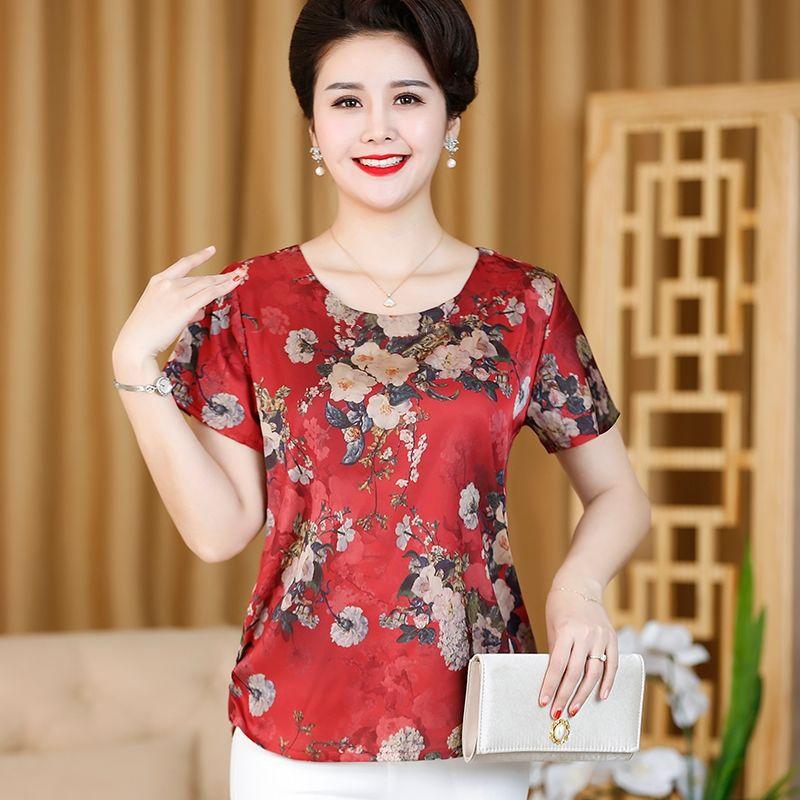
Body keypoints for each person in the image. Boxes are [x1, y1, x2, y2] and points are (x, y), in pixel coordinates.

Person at [111, 1, 651, 797]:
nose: (377, 128)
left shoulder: (524, 303)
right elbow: (220, 530)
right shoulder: (251, 301)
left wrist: (578, 589)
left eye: (407, 97)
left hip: (476, 732)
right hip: (292, 731)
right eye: (346, 100)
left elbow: (619, 496)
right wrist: (133, 366)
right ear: (313, 125)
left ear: (451, 117)